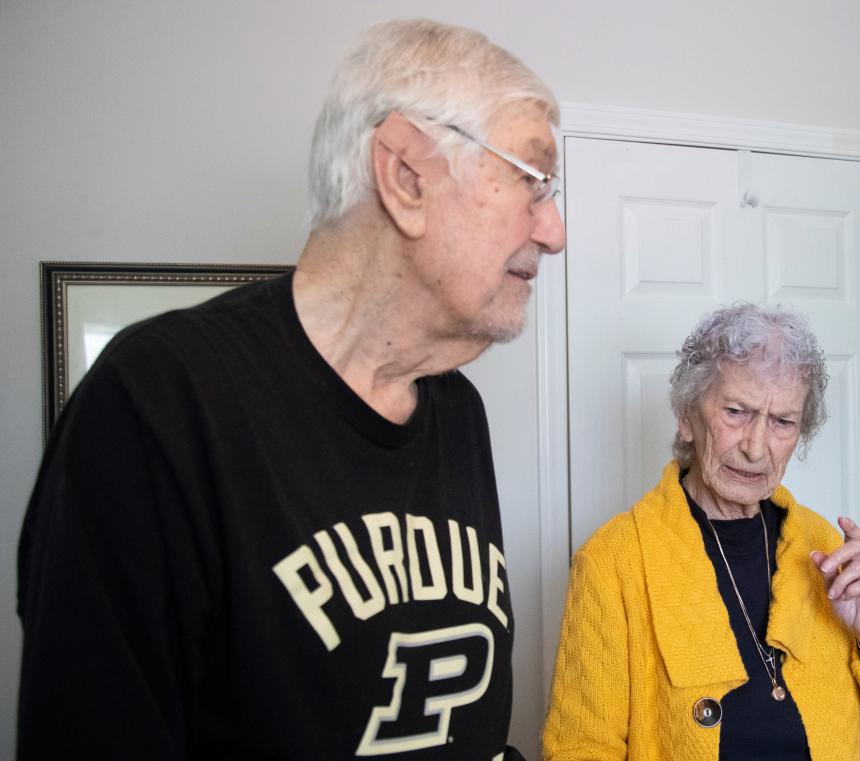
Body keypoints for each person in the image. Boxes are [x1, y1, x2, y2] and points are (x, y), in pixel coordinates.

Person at [17, 19, 565, 760]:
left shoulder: (455, 408)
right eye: (532, 180)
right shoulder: (156, 402)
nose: (555, 229)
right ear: (406, 175)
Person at [543, 304, 860, 760]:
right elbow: (579, 748)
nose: (755, 448)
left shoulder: (824, 546)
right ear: (687, 417)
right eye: (736, 412)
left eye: (782, 422)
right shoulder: (613, 560)